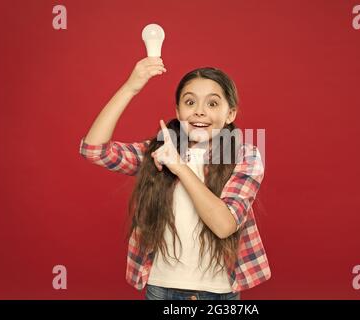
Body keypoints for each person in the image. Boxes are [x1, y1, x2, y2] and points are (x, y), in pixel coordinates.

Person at [79, 57, 271, 300]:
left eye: (213, 104)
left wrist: (179, 166)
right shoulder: (158, 151)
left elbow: (224, 226)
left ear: (230, 113)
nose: (199, 110)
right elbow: (94, 149)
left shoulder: (246, 156)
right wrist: (131, 87)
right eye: (190, 102)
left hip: (217, 292)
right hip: (160, 288)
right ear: (178, 111)